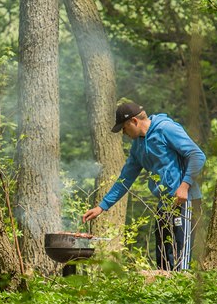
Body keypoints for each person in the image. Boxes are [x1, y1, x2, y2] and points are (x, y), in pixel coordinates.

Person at [83, 101, 206, 271]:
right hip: (164, 205)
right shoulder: (137, 147)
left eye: (124, 128)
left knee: (179, 261)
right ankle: (166, 297)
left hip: (185, 201)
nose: (123, 133)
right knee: (163, 261)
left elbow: (197, 155)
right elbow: (125, 179)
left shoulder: (166, 129)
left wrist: (184, 186)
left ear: (134, 121)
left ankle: (182, 294)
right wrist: (101, 207)